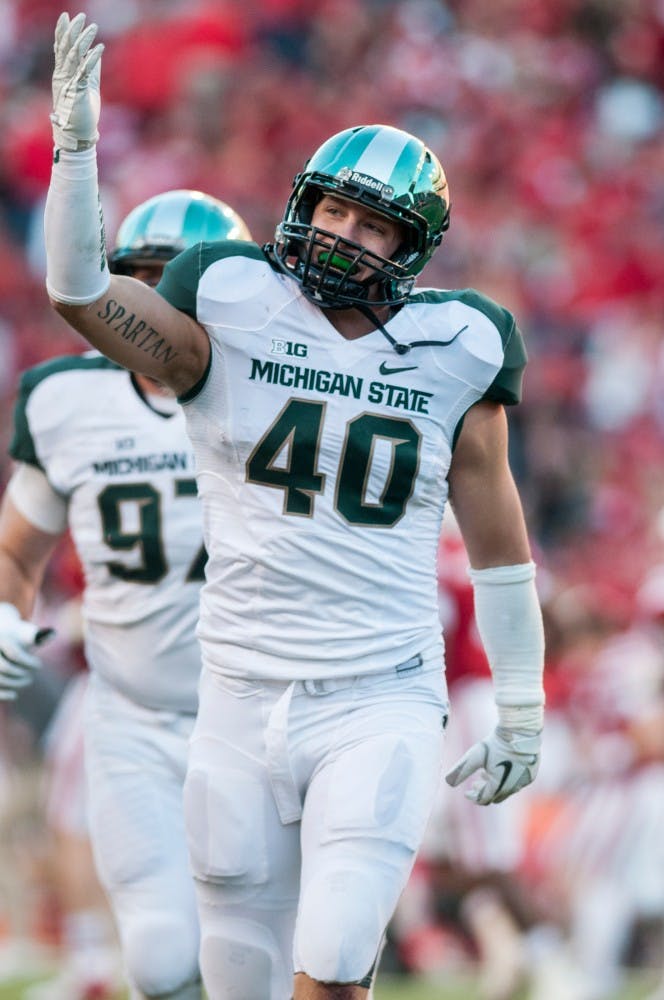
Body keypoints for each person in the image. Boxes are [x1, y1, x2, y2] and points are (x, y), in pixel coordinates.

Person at [38, 11, 546, 1000]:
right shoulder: (228, 306)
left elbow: (499, 544)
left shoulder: (459, 346)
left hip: (377, 694)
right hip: (233, 699)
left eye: (372, 225)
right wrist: (77, 150)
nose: (340, 235)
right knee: (239, 976)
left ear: (413, 247)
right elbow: (78, 292)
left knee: (334, 960)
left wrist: (521, 709)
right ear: (299, 205)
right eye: (330, 210)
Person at [0, 185, 252, 1000]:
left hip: (259, 714)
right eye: (139, 279)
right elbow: (17, 545)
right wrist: (6, 612)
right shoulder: (68, 398)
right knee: (157, 956)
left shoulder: (281, 391)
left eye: (178, 281)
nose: (154, 302)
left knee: (261, 954)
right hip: (131, 718)